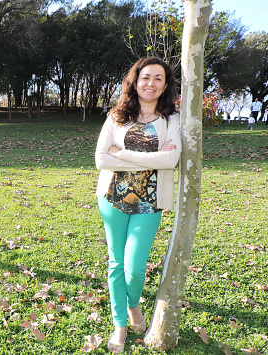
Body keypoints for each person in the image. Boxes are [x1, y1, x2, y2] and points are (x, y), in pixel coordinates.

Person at [95, 57, 181, 353]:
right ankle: (122, 323)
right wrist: (148, 159)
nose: (151, 83)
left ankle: (133, 305)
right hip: (113, 199)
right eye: (146, 77)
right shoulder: (117, 116)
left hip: (150, 202)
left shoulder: (172, 119)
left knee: (134, 267)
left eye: (159, 78)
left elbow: (170, 160)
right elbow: (101, 159)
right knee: (116, 263)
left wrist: (123, 154)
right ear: (135, 81)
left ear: (166, 85)